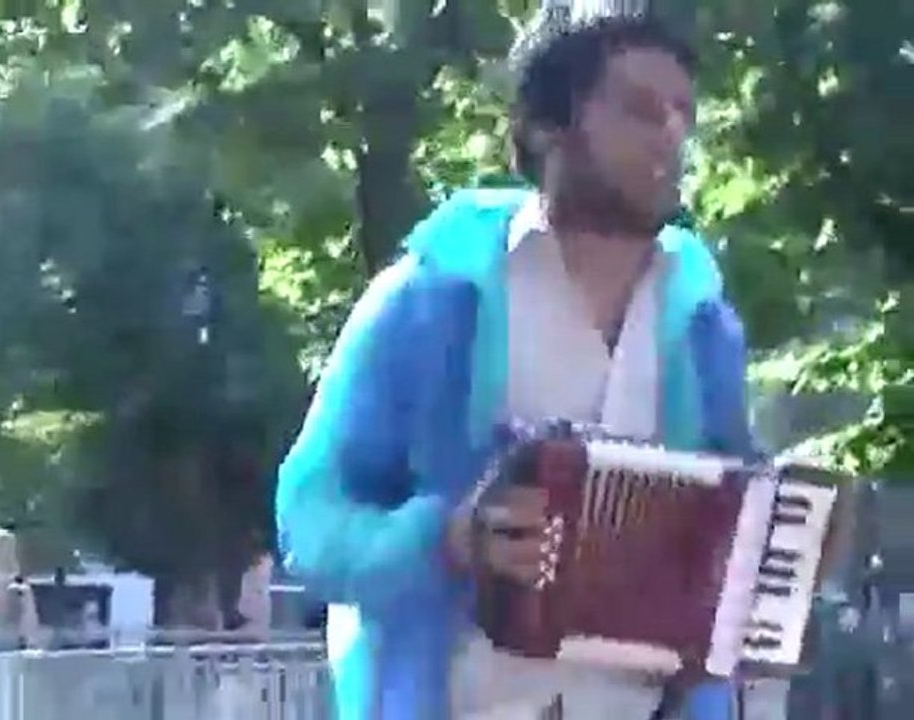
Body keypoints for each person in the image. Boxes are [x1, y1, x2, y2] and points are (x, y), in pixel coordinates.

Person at [277, 14, 761, 720]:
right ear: (544, 126)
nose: (671, 136)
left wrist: (792, 536)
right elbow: (307, 519)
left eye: (682, 113)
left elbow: (730, 546)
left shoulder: (703, 329)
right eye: (638, 109)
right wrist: (443, 540)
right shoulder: (430, 300)